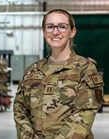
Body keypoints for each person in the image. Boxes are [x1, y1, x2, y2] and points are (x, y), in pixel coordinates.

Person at [13, 9, 104, 139]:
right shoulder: (32, 70)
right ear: (44, 31)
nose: (55, 32)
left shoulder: (85, 69)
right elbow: (19, 110)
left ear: (72, 32)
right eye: (50, 27)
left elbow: (85, 112)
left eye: (62, 27)